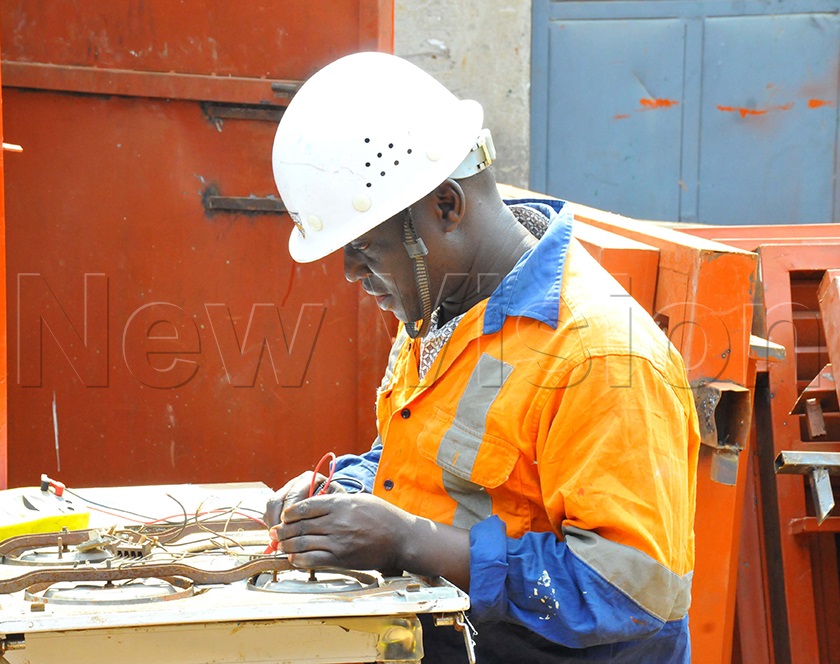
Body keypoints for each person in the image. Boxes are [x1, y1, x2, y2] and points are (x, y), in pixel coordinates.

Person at [264, 51, 699, 662]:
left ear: (445, 206)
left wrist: (408, 542)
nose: (348, 274)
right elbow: (424, 469)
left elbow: (630, 589)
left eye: (365, 249)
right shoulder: (440, 308)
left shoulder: (598, 354)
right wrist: (340, 494)